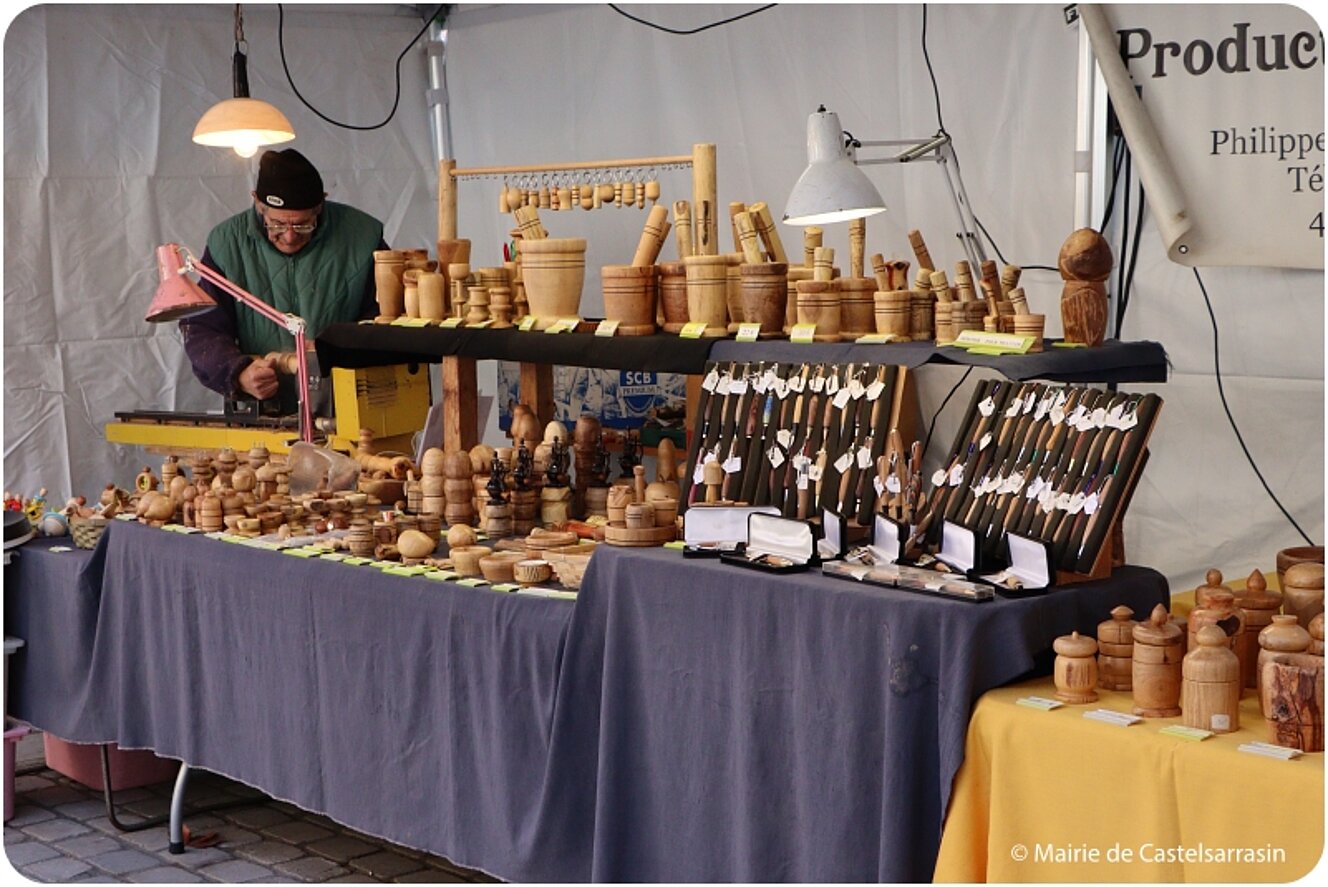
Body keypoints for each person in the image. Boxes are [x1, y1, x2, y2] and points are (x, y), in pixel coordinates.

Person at [180, 148, 387, 414]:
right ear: (257, 203)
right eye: (277, 224)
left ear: (320, 206)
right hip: (263, 410)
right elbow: (202, 327)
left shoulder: (361, 237)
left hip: (349, 405)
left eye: (302, 225)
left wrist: (341, 347)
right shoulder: (227, 244)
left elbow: (389, 319)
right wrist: (237, 372)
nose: (289, 237)